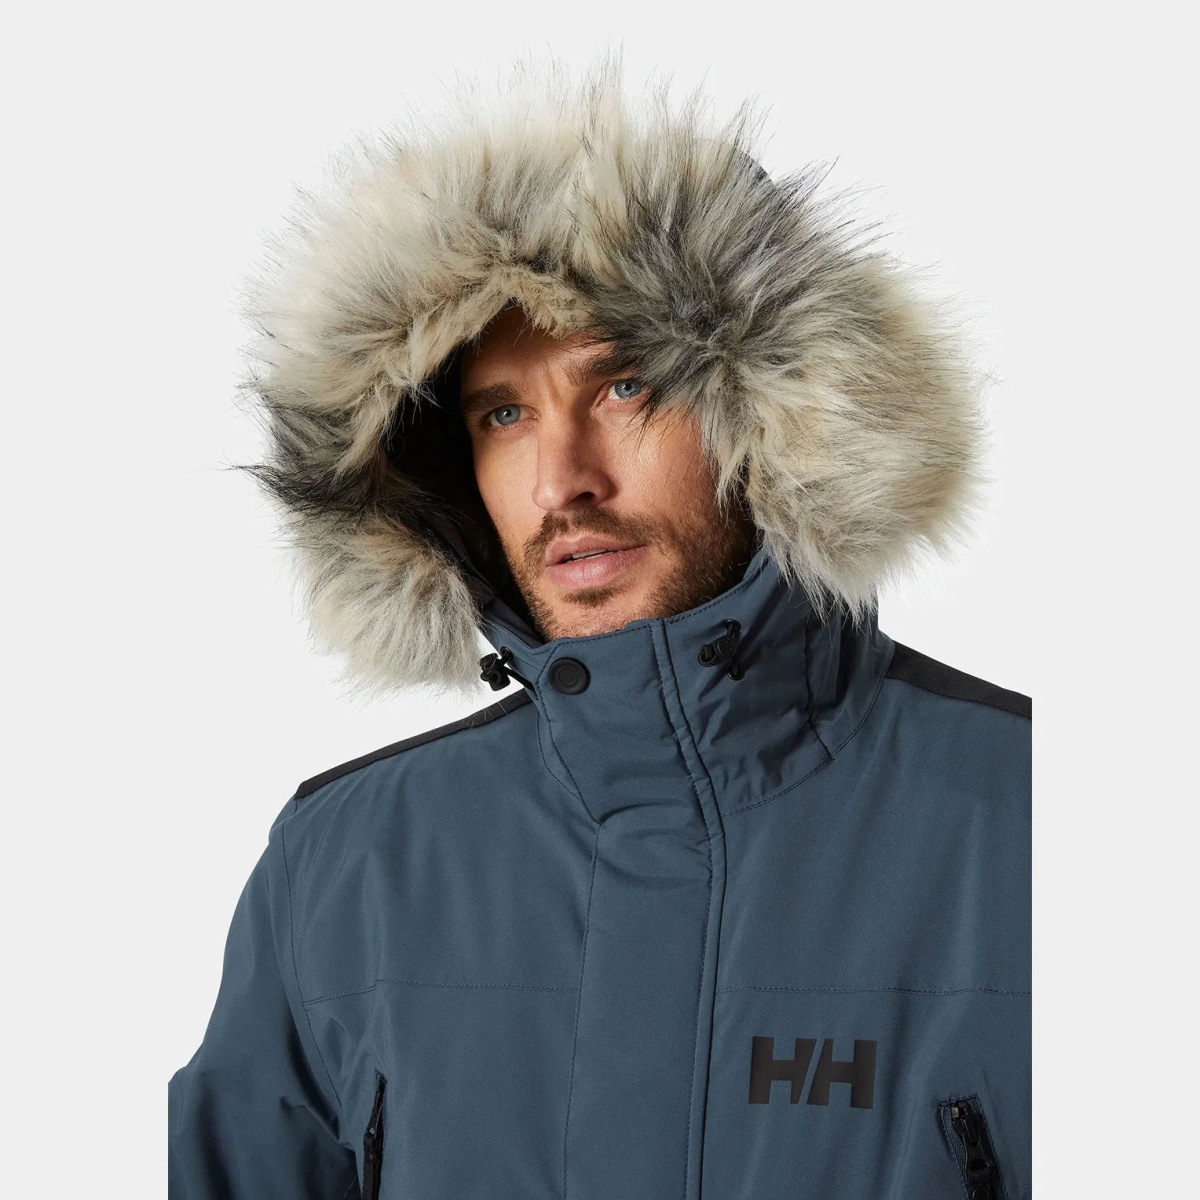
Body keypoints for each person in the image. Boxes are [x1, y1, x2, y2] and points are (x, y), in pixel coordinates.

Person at [168, 60, 1031, 1200]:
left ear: (774, 415)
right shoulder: (346, 869)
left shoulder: (1035, 828)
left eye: (624, 387)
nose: (560, 481)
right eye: (503, 414)